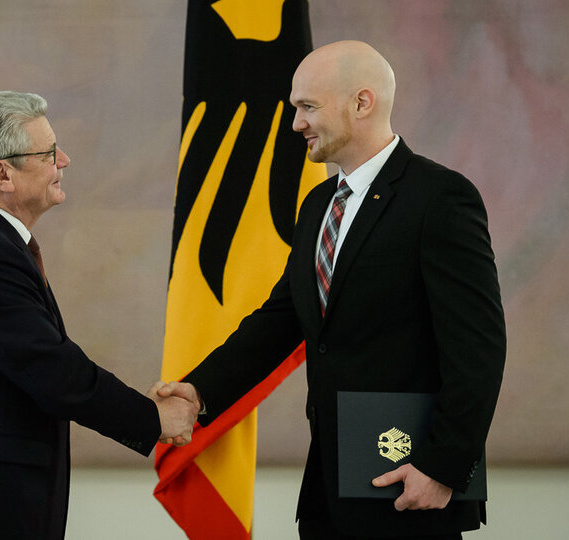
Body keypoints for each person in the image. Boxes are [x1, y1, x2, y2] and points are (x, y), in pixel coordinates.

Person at [159, 41, 506, 539]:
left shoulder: (441, 199)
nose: (296, 122)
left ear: (361, 103)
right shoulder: (319, 204)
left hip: (411, 488)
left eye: (307, 107)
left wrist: (443, 467)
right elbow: (281, 319)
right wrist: (197, 391)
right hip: (329, 492)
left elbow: (479, 348)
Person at [0, 91, 198, 540]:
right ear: (2, 174)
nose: (64, 160)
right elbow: (54, 371)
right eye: (49, 153)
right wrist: (152, 418)